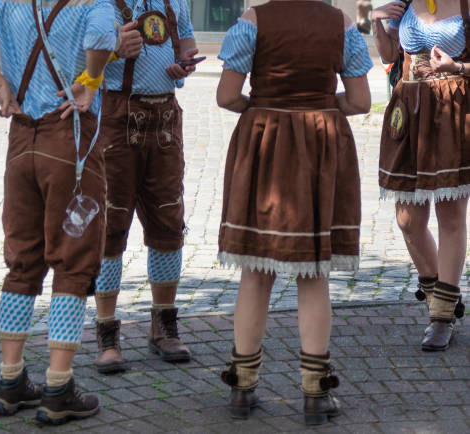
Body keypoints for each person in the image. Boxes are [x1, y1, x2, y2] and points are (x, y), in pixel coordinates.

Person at [0, 0, 117, 424]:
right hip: (68, 140)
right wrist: (91, 80)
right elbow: (101, 37)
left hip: (22, 141)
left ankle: (10, 381)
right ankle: (58, 386)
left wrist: (1, 85)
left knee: (22, 260)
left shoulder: (9, 3)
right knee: (73, 262)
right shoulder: (92, 3)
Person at [216, 0, 372, 425]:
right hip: (320, 146)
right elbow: (360, 101)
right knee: (313, 271)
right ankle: (315, 394)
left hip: (264, 145)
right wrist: (322, 106)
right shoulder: (340, 24)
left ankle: (242, 387)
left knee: (256, 269)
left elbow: (227, 95)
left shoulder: (252, 21)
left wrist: (260, 106)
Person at [91, 0, 198, 373]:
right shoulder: (102, 4)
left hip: (166, 116)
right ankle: (107, 332)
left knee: (168, 221)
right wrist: (113, 51)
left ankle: (163, 325)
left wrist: (184, 61)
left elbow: (186, 41)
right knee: (111, 221)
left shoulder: (176, 1)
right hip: (116, 117)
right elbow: (73, 59)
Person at [372, 0, 468, 351]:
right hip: (409, 111)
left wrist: (457, 64)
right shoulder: (407, 1)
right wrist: (377, 22)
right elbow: (389, 57)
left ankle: (441, 317)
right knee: (407, 219)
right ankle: (442, 298)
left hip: (453, 110)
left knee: (451, 216)